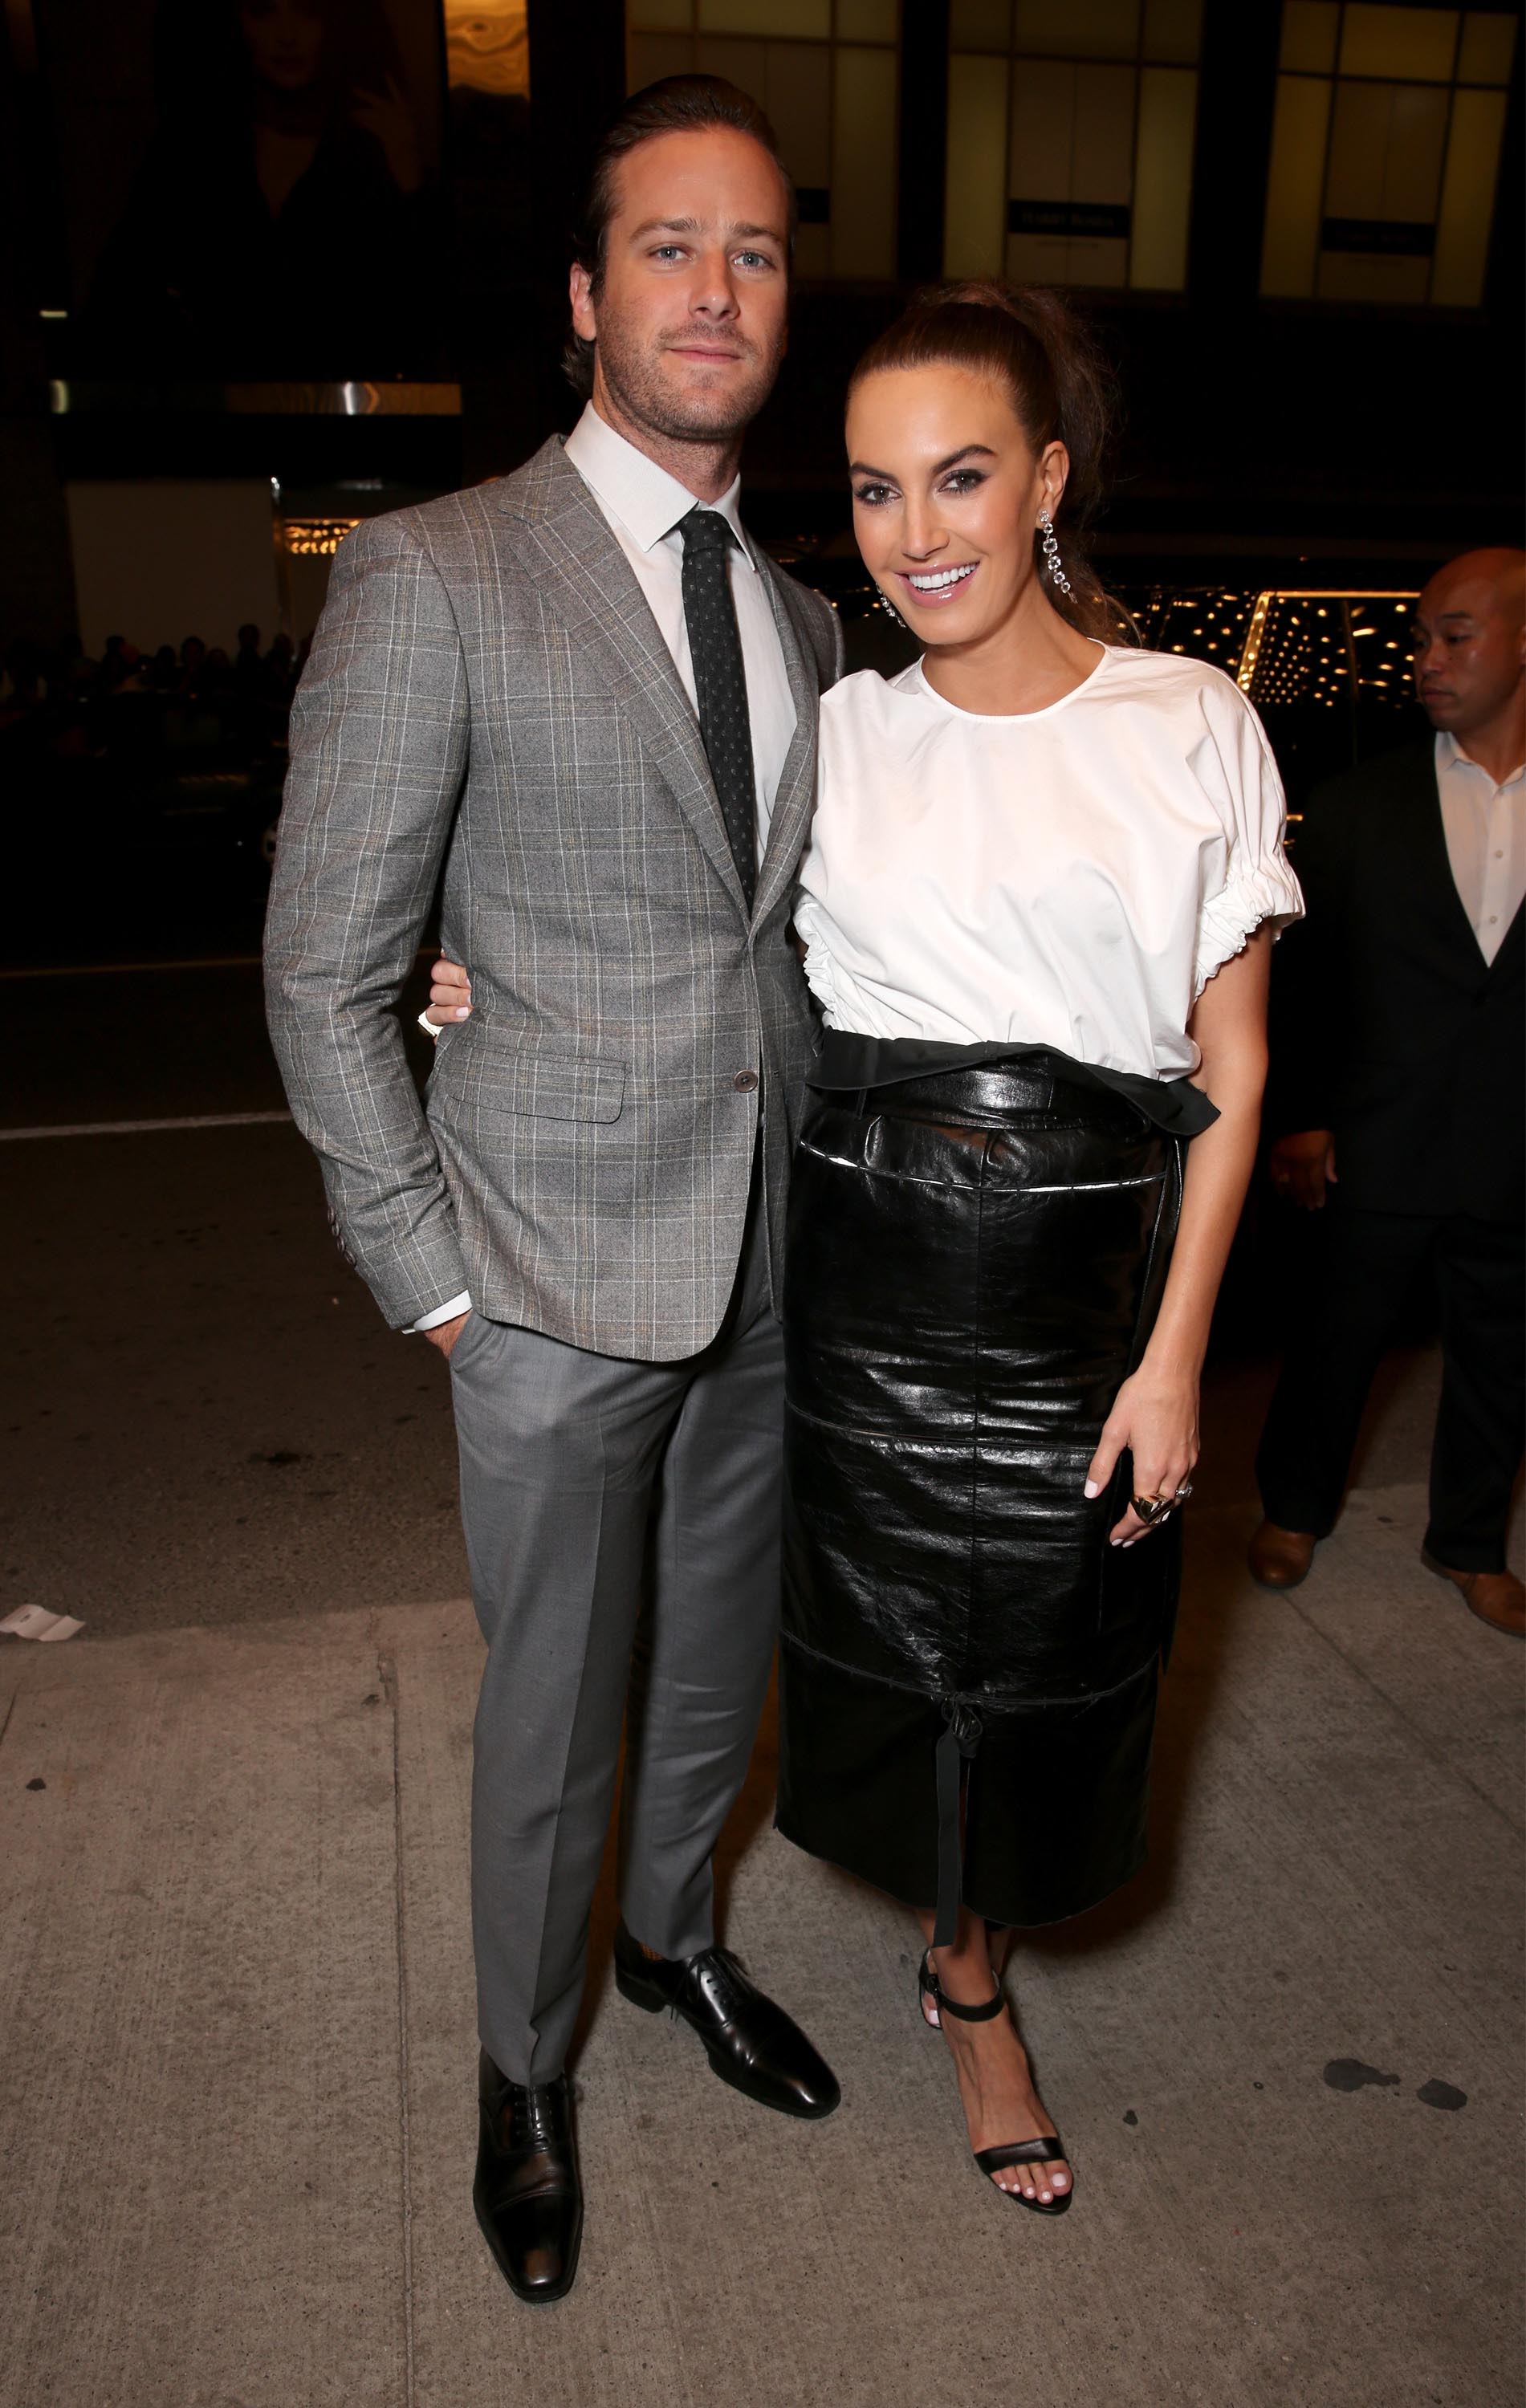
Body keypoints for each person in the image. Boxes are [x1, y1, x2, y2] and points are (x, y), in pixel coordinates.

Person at [432, 281, 1304, 2215]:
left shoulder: (1193, 722)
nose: (922, 532)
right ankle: (938, 1960)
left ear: (1049, 478)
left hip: (1083, 1301)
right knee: (879, 1668)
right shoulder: (845, 724)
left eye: (966, 477)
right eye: (880, 488)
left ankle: (975, 1973)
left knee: (1061, 1671)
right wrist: (470, 975)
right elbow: (687, 923)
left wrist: (1173, 1363)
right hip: (857, 1286)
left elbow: (1231, 1071)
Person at [265, 77, 843, 2310]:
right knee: (546, 1717)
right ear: (586, 294)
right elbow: (323, 974)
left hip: (762, 1266)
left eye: (759, 250)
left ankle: (672, 1940)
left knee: (713, 1687)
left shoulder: (799, 624)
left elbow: (784, 946)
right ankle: (524, 2072)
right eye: (671, 247)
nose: (716, 286)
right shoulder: (435, 571)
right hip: (533, 1286)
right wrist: (433, 1288)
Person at [1248, 550, 1524, 1636]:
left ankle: (1465, 1544)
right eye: (1418, 640)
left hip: (1513, 1140)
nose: (1426, 660)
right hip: (1377, 1136)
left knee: (1501, 1356)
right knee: (1331, 1338)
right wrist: (1306, 1115)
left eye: (1453, 636)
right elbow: (1309, 982)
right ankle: (1291, 1508)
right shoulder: (1357, 805)